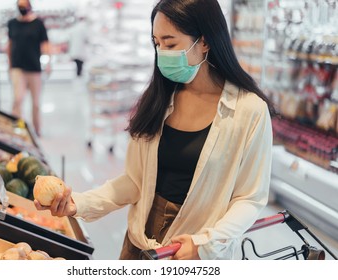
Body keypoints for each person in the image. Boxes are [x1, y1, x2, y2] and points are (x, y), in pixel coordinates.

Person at [35, 0, 275, 260]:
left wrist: (207, 243)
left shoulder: (249, 111)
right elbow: (135, 181)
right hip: (139, 245)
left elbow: (249, 198)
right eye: (157, 44)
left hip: (192, 253)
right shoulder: (159, 100)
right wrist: (79, 203)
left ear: (204, 41)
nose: (162, 53)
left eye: (170, 44)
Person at [7, 0, 51, 137]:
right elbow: (10, 44)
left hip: (34, 69)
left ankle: (37, 130)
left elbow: (45, 45)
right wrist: (9, 64)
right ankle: (18, 129)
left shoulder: (38, 24)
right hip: (17, 67)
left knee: (36, 103)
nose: (22, 8)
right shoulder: (12, 24)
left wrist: (48, 62)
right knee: (18, 99)